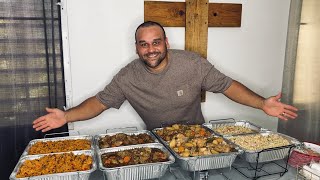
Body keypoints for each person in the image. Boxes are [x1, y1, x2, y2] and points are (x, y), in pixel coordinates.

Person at [33, 21, 298, 132]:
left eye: (156, 42)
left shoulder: (192, 63)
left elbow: (227, 86)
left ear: (166, 43)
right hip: (157, 142)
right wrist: (66, 116)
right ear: (136, 47)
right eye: (144, 44)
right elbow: (99, 103)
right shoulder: (127, 77)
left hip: (197, 138)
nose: (151, 50)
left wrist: (262, 103)